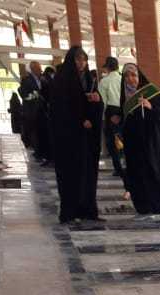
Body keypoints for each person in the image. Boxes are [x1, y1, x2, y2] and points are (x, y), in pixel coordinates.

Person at [47, 46, 104, 224]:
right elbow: (59, 108)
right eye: (78, 60)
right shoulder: (62, 79)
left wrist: (97, 101)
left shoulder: (89, 78)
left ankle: (87, 210)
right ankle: (69, 212)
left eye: (84, 60)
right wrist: (79, 120)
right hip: (69, 138)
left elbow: (96, 103)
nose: (82, 63)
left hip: (86, 137)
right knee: (70, 174)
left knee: (87, 173)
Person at [120, 63, 160, 223]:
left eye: (133, 75)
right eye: (127, 76)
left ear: (140, 77)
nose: (130, 79)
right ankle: (144, 209)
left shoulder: (152, 93)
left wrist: (151, 108)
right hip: (134, 144)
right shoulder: (125, 95)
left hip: (153, 143)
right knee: (138, 175)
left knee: (157, 174)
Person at [97, 57, 123, 177]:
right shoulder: (123, 79)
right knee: (124, 138)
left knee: (112, 142)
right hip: (124, 110)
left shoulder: (104, 81)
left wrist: (103, 118)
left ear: (107, 67)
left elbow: (102, 102)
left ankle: (118, 168)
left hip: (111, 112)